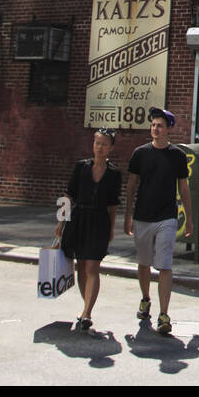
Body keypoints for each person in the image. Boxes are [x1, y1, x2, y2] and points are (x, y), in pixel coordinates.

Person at [124, 107, 192, 336]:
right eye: (153, 125)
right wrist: (128, 216)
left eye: (160, 125)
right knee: (144, 263)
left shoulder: (177, 156)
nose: (155, 129)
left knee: (164, 264)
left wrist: (189, 219)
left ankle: (164, 314)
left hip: (167, 217)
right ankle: (145, 299)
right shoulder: (139, 154)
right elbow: (132, 186)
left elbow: (184, 188)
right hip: (143, 216)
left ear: (168, 129)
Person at [55, 128, 122, 335]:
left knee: (93, 266)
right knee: (81, 266)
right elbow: (68, 195)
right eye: (97, 143)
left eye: (103, 144)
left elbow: (113, 205)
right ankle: (86, 306)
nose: (99, 147)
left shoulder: (114, 174)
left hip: (99, 221)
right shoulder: (81, 167)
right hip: (79, 219)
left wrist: (111, 229)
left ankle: (87, 313)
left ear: (110, 147)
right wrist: (60, 222)